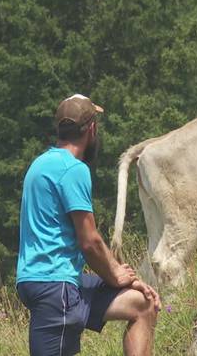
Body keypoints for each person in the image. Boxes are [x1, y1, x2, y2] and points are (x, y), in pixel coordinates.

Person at [16, 94, 161, 356]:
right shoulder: (73, 169)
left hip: (48, 281)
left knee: (143, 304)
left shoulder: (39, 165)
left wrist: (125, 278)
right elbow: (90, 242)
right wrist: (116, 275)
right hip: (55, 287)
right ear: (91, 129)